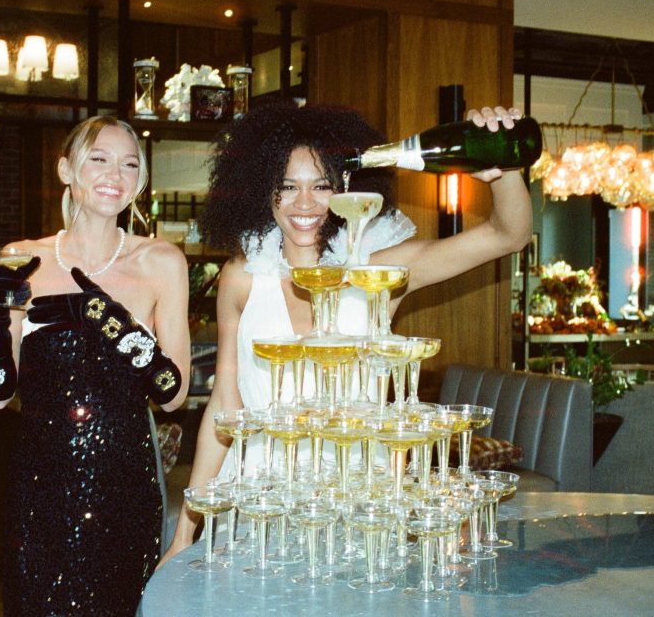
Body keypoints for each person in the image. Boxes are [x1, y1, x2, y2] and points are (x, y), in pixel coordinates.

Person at [158, 101, 531, 565]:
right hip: (259, 497)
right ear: (262, 191)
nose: (305, 203)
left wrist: (505, 172)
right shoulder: (241, 280)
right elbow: (224, 411)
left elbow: (507, 235)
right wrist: (183, 534)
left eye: (321, 186)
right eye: (287, 187)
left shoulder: (378, 272)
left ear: (345, 188)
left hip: (360, 499)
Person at [0, 115, 191, 616]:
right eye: (99, 158)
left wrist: (111, 322)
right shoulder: (21, 257)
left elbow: (174, 393)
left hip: (127, 486)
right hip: (39, 484)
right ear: (66, 169)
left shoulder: (161, 261)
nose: (115, 173)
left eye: (130, 163)